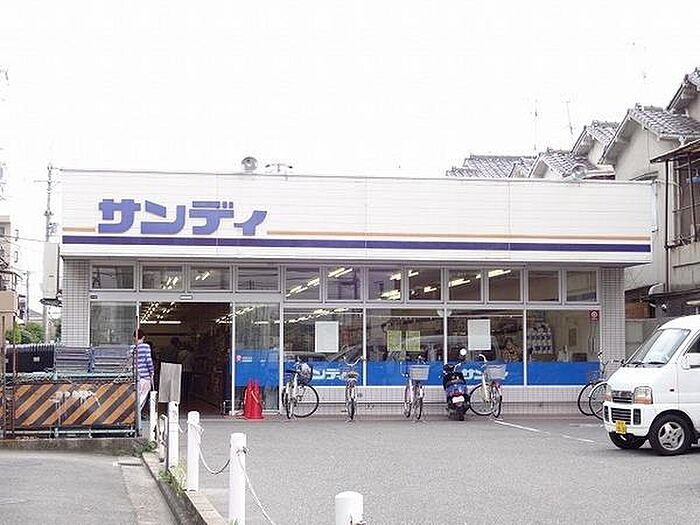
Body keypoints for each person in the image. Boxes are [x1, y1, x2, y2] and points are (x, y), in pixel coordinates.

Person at [134, 329, 154, 412]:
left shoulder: (132, 348)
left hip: (135, 376)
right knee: (143, 396)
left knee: (137, 396)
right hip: (145, 376)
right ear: (143, 337)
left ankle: (136, 413)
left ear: (134, 337)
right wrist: (152, 371)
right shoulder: (146, 347)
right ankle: (136, 413)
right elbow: (148, 360)